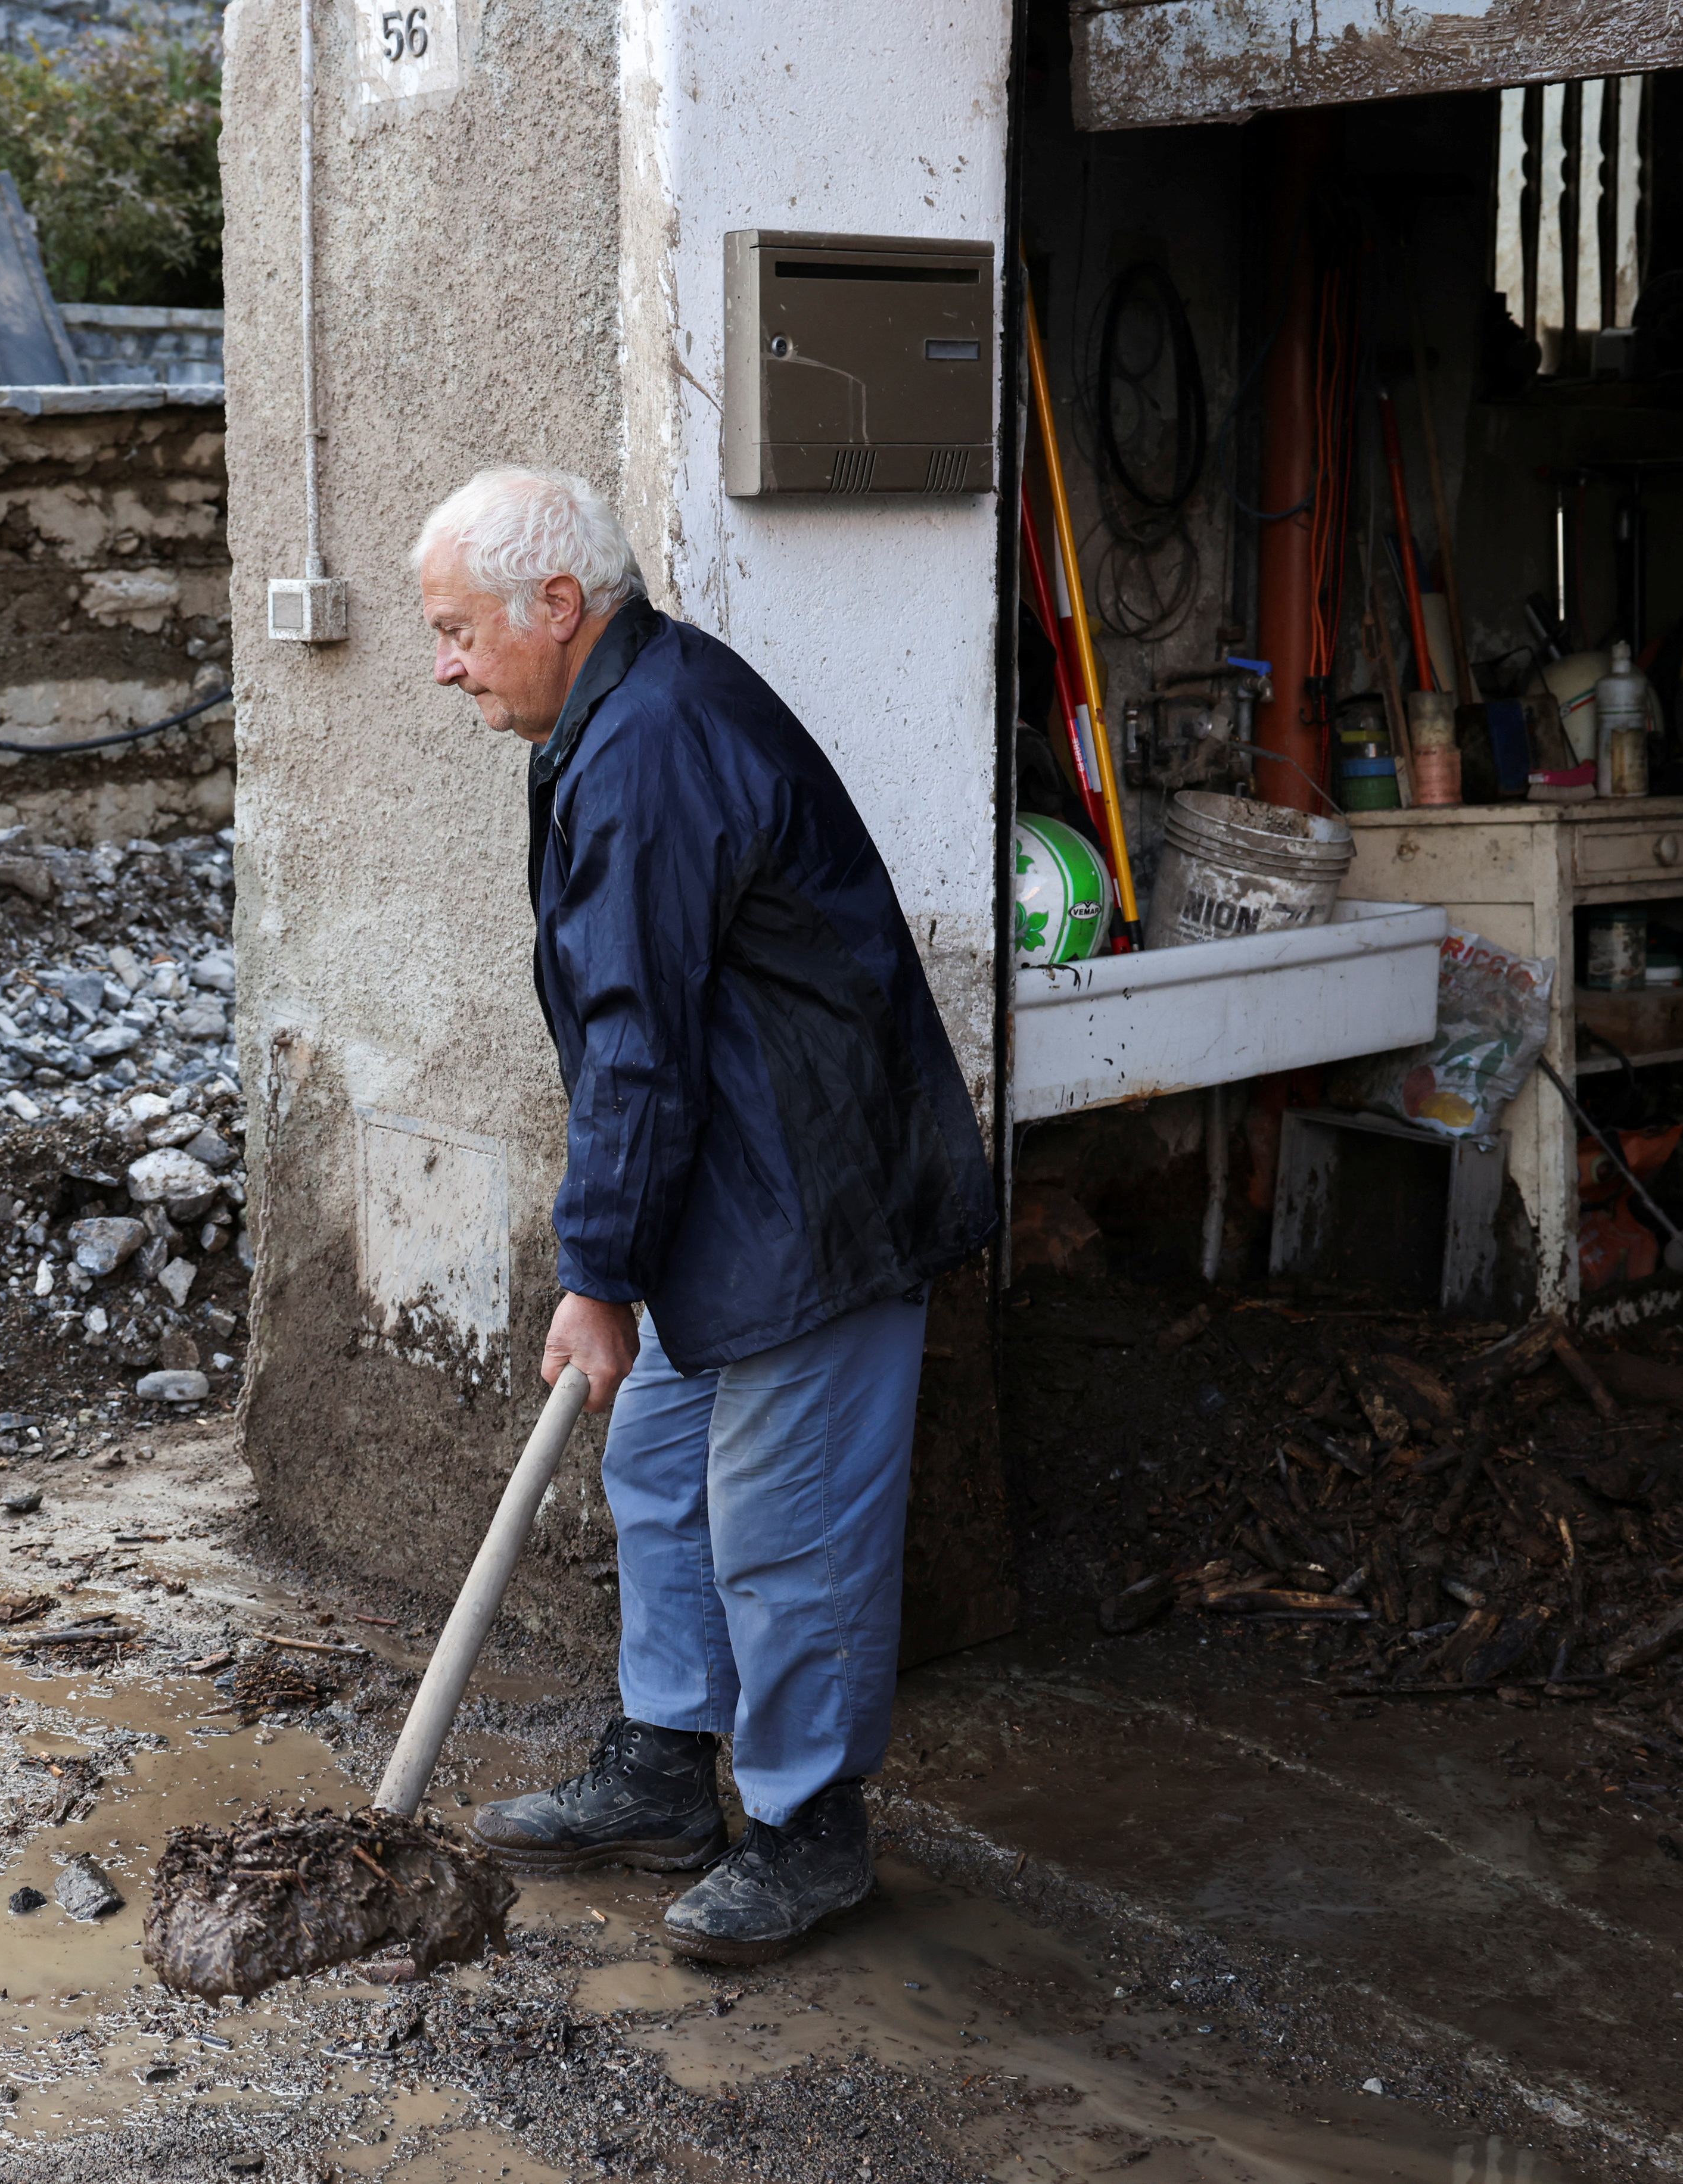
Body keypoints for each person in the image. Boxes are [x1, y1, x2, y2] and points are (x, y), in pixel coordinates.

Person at [409, 466, 997, 1964]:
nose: (445, 666)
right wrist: (617, 1261)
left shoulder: (653, 740)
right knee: (660, 1471)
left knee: (783, 1526)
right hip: (724, 1182)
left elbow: (635, 1039)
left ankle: (809, 1827)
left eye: (458, 631)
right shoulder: (613, 717)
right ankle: (666, 1770)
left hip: (815, 1197)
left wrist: (596, 1274)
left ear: (557, 605)